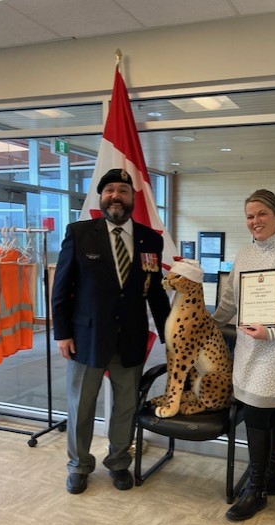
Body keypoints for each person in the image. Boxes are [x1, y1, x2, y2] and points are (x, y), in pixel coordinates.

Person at [52, 168, 171, 495]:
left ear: (133, 197)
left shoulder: (151, 239)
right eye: (110, 191)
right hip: (85, 339)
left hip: (131, 339)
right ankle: (79, 465)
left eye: (123, 190)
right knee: (81, 406)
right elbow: (61, 289)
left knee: (125, 406)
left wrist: (170, 337)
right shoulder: (79, 233)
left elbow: (156, 291)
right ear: (101, 197)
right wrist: (62, 333)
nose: (116, 196)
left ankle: (119, 462)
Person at [213, 189, 275, 521]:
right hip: (249, 345)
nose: (254, 221)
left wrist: (273, 331)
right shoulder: (243, 255)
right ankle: (272, 476)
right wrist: (210, 324)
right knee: (267, 413)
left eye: (261, 214)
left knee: (257, 412)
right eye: (249, 216)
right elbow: (230, 299)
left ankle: (255, 490)